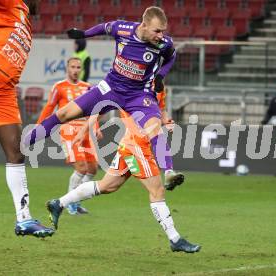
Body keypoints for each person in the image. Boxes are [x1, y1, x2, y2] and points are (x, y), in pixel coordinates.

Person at [25, 6, 183, 191]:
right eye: (157, 31)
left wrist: (160, 76)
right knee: (65, 113)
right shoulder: (122, 29)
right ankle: (27, 141)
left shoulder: (164, 43)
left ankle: (169, 172)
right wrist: (83, 34)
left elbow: (171, 56)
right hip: (110, 88)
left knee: (155, 129)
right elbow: (103, 28)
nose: (160, 35)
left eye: (163, 31)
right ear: (144, 25)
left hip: (139, 95)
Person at [45, 93, 200, 253]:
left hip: (128, 146)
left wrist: (166, 120)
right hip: (137, 148)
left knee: (106, 186)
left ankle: (59, 203)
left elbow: (160, 109)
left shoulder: (158, 86)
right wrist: (86, 127)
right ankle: (175, 239)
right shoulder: (133, 84)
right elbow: (101, 106)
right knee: (157, 191)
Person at [0, 0, 54, 237]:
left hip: (4, 91)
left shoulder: (25, 18)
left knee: (16, 152)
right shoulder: (12, 2)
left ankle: (23, 220)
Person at [37, 57, 102, 215]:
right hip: (68, 130)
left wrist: (97, 127)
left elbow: (94, 109)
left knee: (93, 169)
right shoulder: (59, 87)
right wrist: (39, 126)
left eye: (78, 67)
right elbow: (50, 107)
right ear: (67, 68)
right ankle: (70, 203)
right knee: (81, 168)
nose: (75, 70)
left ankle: (75, 200)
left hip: (85, 129)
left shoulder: (88, 87)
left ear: (81, 69)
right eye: (72, 66)